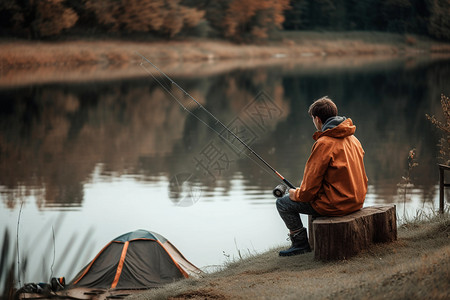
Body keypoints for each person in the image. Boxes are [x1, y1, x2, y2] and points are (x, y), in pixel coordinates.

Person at [276, 96, 368, 256]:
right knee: (296, 196)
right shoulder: (353, 138)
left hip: (336, 205)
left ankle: (300, 244)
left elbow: (308, 192)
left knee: (283, 203)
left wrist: (294, 193)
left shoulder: (324, 143)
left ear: (317, 119)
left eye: (312, 119)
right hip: (356, 200)